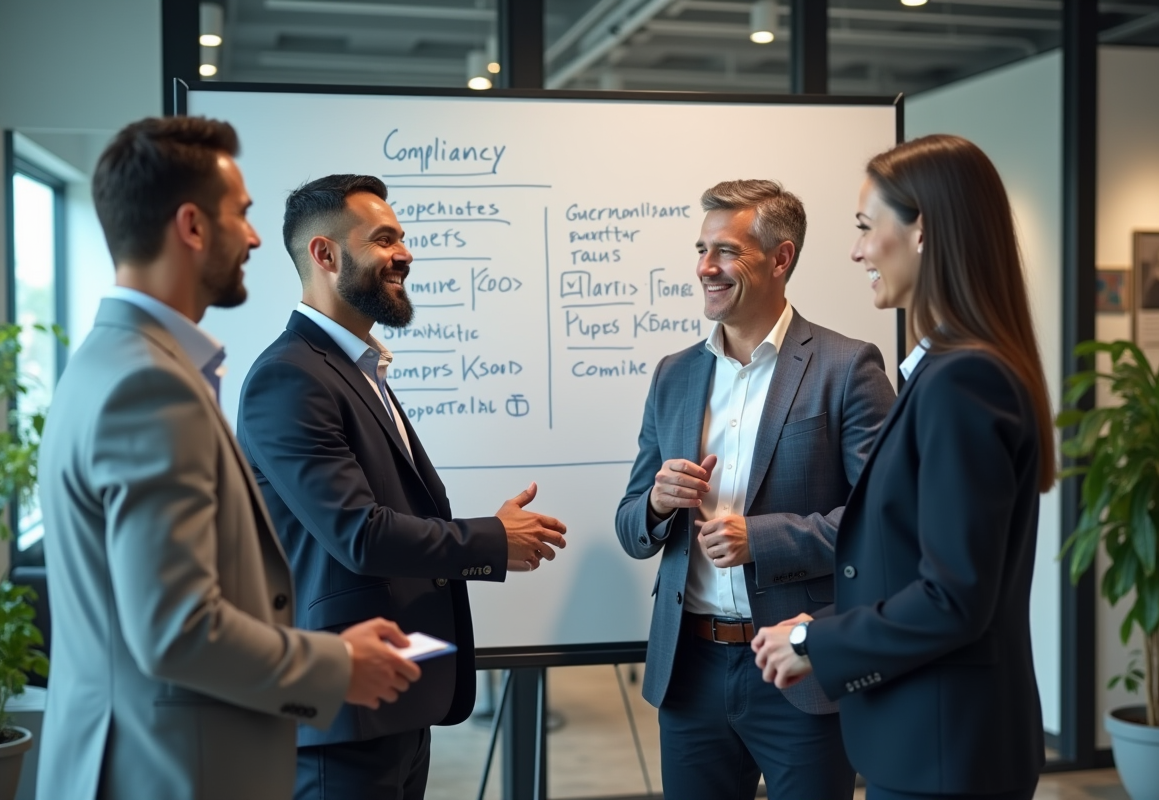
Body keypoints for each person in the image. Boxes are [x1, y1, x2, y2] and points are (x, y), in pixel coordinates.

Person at [36, 118, 422, 800]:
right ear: (191, 226)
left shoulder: (105, 363)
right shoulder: (147, 386)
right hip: (166, 770)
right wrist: (335, 663)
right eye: (241, 215)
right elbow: (177, 630)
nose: (252, 237)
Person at [237, 173, 569, 800]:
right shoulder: (290, 377)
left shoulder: (359, 370)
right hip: (342, 715)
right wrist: (491, 539)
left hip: (394, 700)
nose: (405, 254)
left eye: (403, 238)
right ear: (325, 254)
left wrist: (491, 537)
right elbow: (358, 534)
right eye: (384, 239)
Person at [753, 134, 1054, 800]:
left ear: (924, 231)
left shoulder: (963, 381)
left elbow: (952, 598)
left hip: (944, 752)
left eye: (866, 228)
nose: (857, 250)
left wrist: (813, 641)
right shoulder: (953, 373)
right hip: (939, 742)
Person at [615, 179, 895, 800]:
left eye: (726, 252)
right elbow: (630, 524)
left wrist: (761, 540)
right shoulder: (674, 375)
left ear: (781, 258)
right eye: (701, 249)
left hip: (802, 668)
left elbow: (885, 523)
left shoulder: (847, 368)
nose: (704, 268)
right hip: (689, 672)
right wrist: (658, 503)